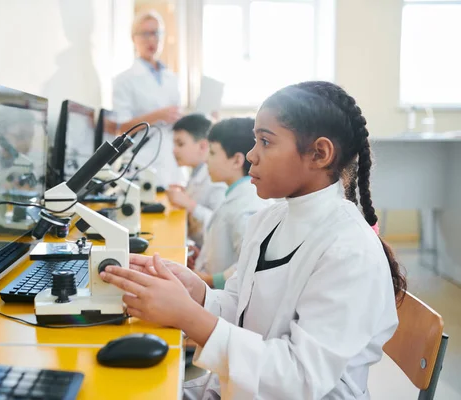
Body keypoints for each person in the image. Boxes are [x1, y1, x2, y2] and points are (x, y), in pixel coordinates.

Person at [100, 81, 406, 399]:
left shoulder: (349, 250)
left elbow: (300, 378)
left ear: (319, 153)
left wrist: (186, 316)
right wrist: (196, 293)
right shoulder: (270, 220)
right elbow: (242, 310)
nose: (251, 155)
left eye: (265, 142)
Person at [193, 118, 274, 290]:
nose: (206, 160)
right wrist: (204, 257)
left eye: (213, 153)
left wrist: (209, 279)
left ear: (237, 160)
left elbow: (253, 263)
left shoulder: (247, 206)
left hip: (224, 301)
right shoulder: (235, 194)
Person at [112, 10, 184, 188]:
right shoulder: (124, 80)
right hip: (143, 159)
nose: (152, 39)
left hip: (170, 158)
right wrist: (156, 116)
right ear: (133, 38)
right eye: (145, 33)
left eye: (156, 33)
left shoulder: (172, 78)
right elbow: (122, 128)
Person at [167, 114, 226, 249]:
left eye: (180, 144)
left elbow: (221, 226)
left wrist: (189, 204)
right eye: (174, 144)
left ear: (202, 146)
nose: (174, 150)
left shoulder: (215, 179)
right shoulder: (196, 173)